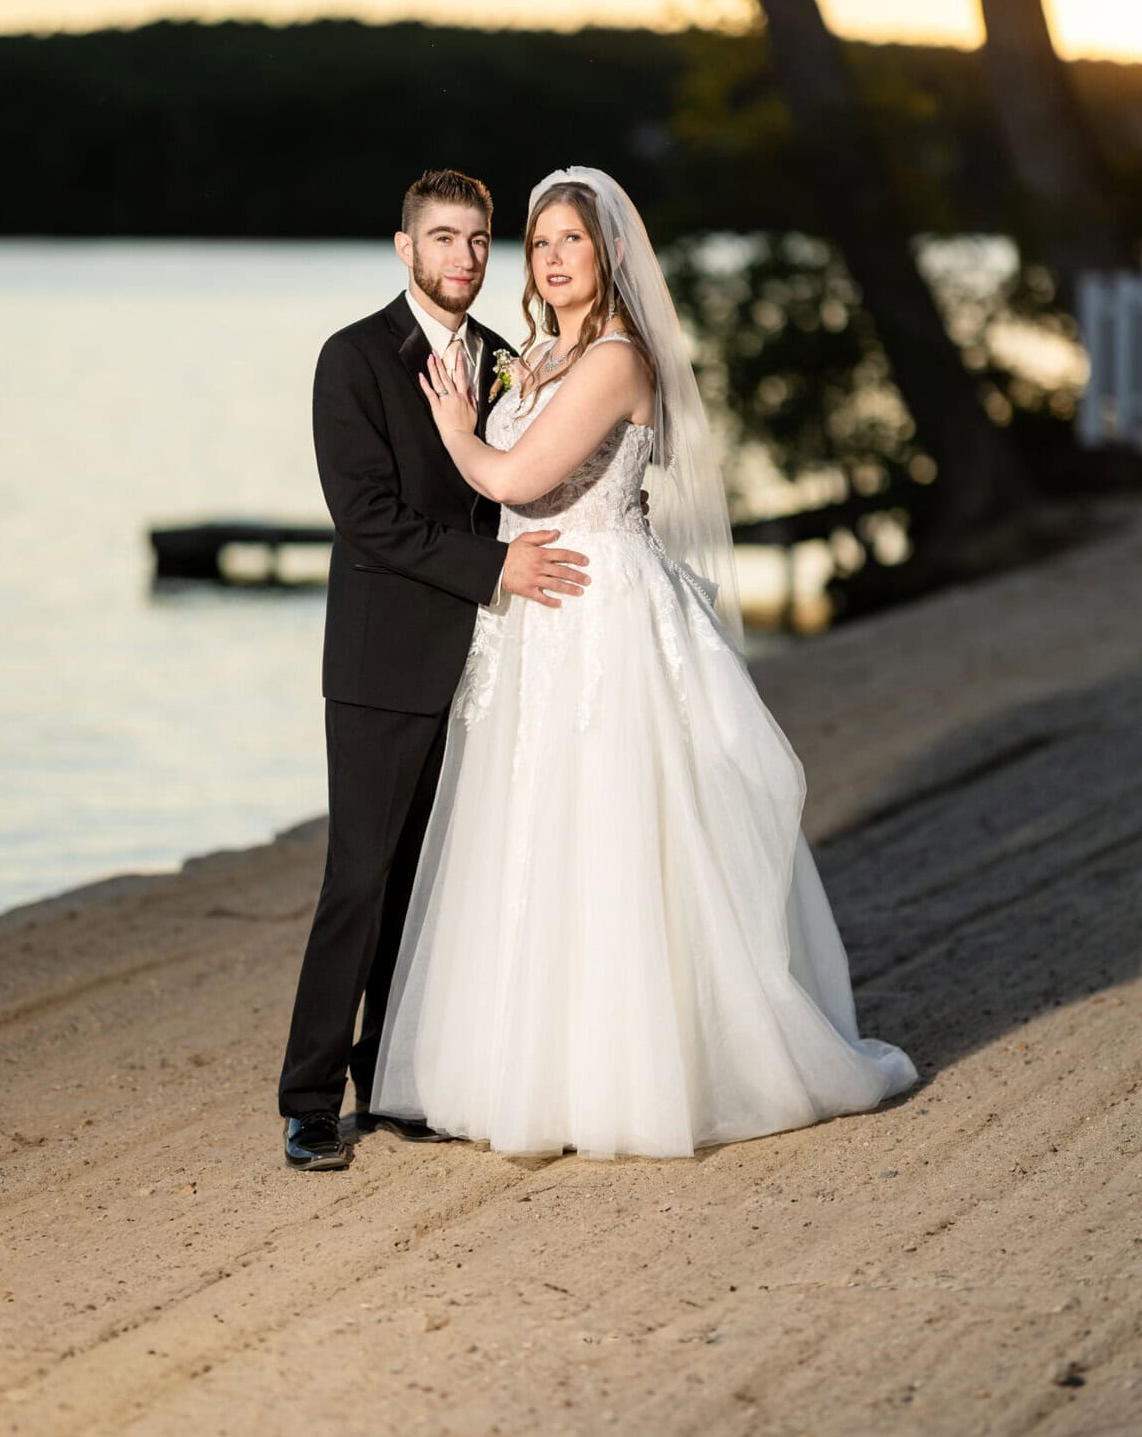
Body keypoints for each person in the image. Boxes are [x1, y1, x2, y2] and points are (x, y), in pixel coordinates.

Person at [370, 166, 917, 1159]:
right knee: (532, 829)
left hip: (600, 612)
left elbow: (515, 478)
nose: (552, 258)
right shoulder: (539, 354)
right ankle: (529, 1071)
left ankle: (632, 1077)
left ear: (611, 252)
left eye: (571, 240)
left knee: (614, 831)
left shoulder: (618, 359)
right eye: (539, 242)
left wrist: (455, 431)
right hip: (535, 616)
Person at [278, 168, 593, 1169]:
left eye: (477, 239)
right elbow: (366, 517)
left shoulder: (504, 359)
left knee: (433, 883)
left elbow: (524, 484)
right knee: (361, 878)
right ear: (405, 247)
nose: (463, 256)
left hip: (489, 659)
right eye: (443, 237)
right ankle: (310, 1100)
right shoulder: (354, 358)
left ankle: (394, 1079)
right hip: (383, 660)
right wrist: (493, 568)